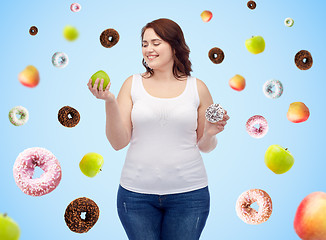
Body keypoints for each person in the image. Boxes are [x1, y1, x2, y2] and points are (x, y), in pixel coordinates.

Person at [87, 18, 230, 240]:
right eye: (144, 44)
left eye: (156, 43)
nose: (148, 49)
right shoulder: (131, 84)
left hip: (190, 196)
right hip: (135, 197)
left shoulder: (197, 87)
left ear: (175, 46)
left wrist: (210, 133)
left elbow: (205, 146)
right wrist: (109, 101)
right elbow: (118, 142)